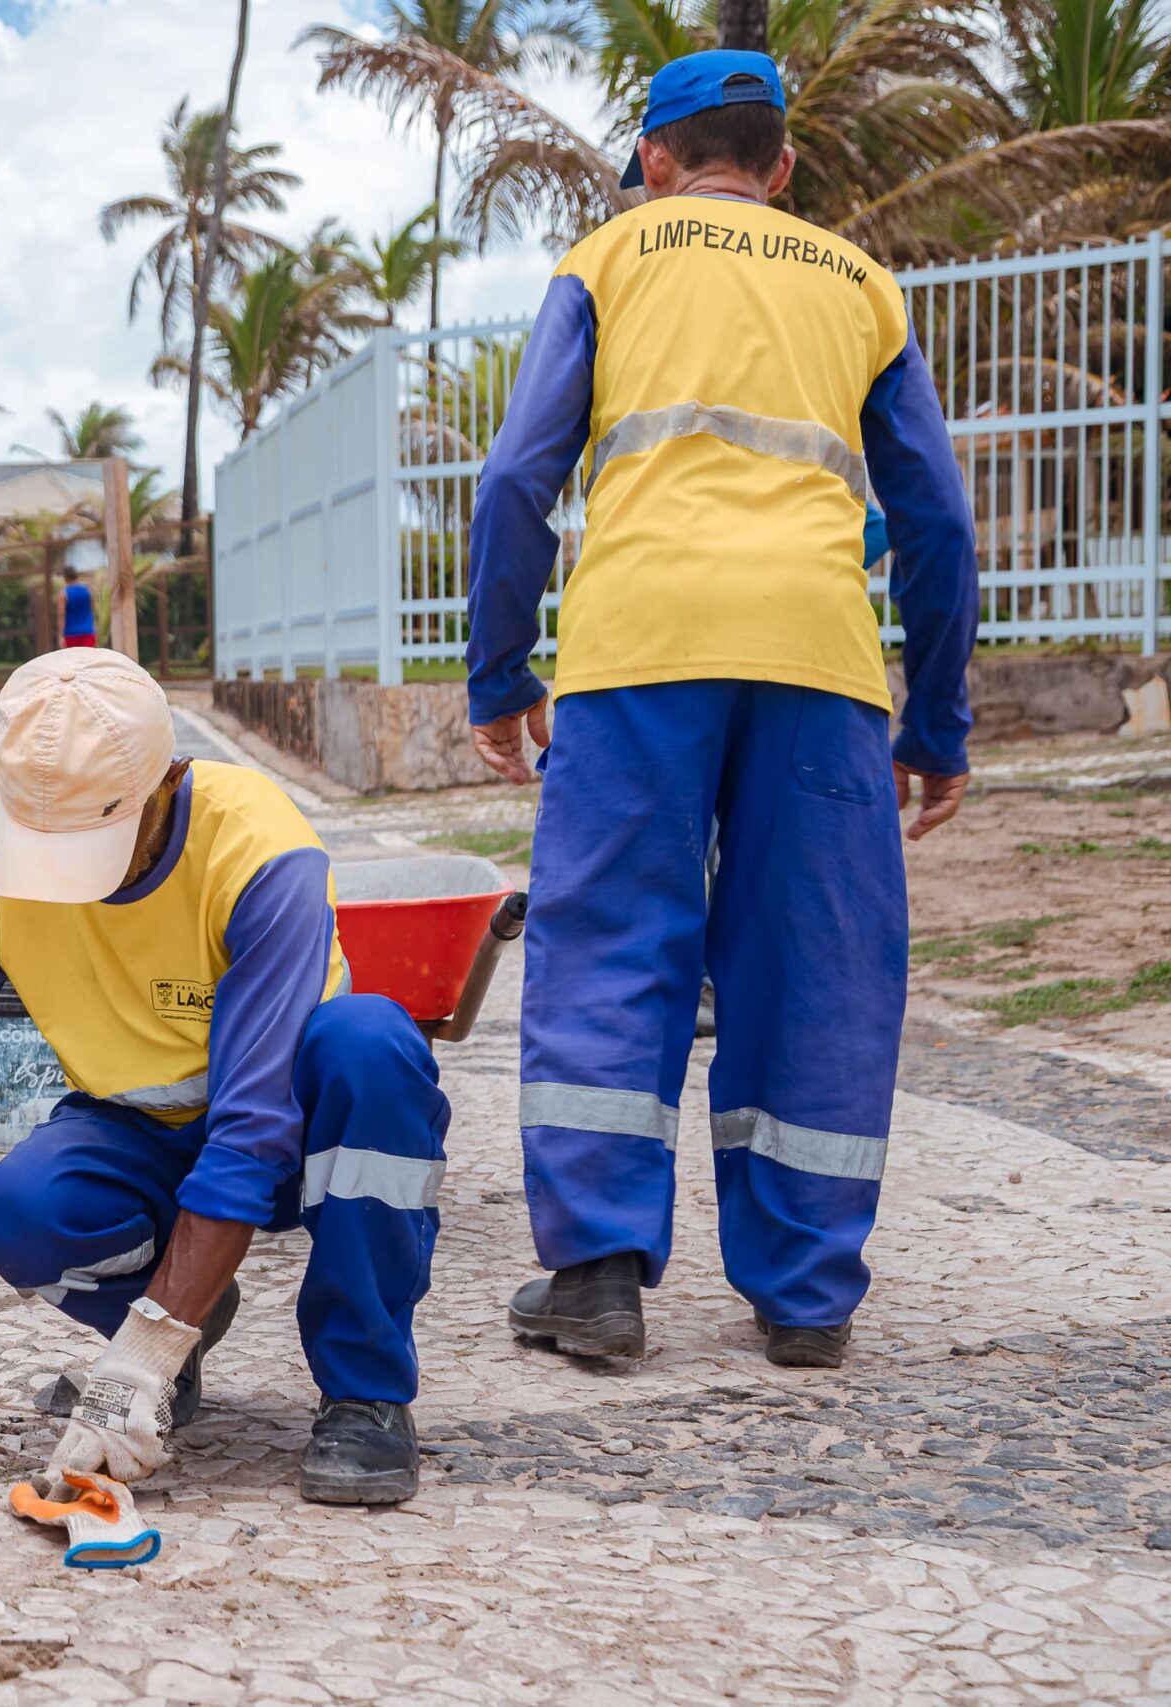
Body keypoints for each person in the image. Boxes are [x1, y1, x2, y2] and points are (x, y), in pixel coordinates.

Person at [464, 50, 977, 1372]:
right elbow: (936, 519)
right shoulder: (862, 283)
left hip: (642, 646)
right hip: (818, 655)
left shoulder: (612, 257)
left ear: (656, 158)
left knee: (613, 937)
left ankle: (595, 1276)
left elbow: (518, 476)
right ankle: (806, 1294)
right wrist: (937, 725)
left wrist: (500, 674)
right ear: (785, 165)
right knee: (815, 960)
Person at [0, 650, 451, 1504]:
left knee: (374, 1048)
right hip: (138, 1135)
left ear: (169, 781)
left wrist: (140, 1357)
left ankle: (366, 1390)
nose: (70, 879)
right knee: (23, 1207)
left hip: (296, 1117)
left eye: (95, 843)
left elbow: (252, 1133)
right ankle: (183, 1333)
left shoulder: (259, 850)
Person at [59, 569, 98, 649]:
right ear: (76, 577)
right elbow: (92, 609)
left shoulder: (63, 594)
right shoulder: (87, 591)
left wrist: (61, 635)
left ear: (65, 579)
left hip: (71, 634)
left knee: (71, 660)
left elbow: (61, 616)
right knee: (89, 660)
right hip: (88, 631)